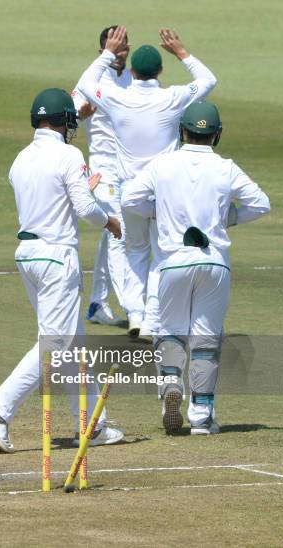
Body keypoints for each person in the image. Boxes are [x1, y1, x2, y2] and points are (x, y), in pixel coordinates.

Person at [0, 88, 124, 452]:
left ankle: (92, 424)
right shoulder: (70, 154)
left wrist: (78, 192)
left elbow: (50, 203)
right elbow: (85, 209)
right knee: (55, 344)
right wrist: (110, 222)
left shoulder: (20, 158)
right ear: (66, 120)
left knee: (73, 341)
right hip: (57, 257)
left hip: (28, 255)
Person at [121, 101, 270, 434]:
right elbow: (260, 204)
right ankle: (201, 417)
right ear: (216, 135)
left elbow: (129, 198)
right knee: (205, 341)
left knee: (170, 332)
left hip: (173, 261)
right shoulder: (225, 167)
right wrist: (229, 217)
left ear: (182, 130)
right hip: (214, 261)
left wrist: (156, 211)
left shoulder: (163, 165)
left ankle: (171, 385)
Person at [75, 27, 217, 338]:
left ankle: (136, 314)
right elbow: (208, 80)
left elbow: (86, 84)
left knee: (134, 251)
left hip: (131, 193)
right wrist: (181, 52)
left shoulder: (118, 98)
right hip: (166, 194)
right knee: (161, 253)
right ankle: (151, 318)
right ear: (160, 70)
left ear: (133, 71)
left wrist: (106, 54)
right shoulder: (173, 97)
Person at [72, 25, 132, 326]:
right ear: (103, 50)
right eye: (115, 46)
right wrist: (79, 116)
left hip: (131, 173)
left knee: (114, 234)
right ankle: (136, 310)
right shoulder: (89, 81)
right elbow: (64, 116)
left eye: (124, 46)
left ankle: (97, 303)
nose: (121, 52)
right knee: (118, 230)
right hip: (103, 172)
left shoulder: (133, 79)